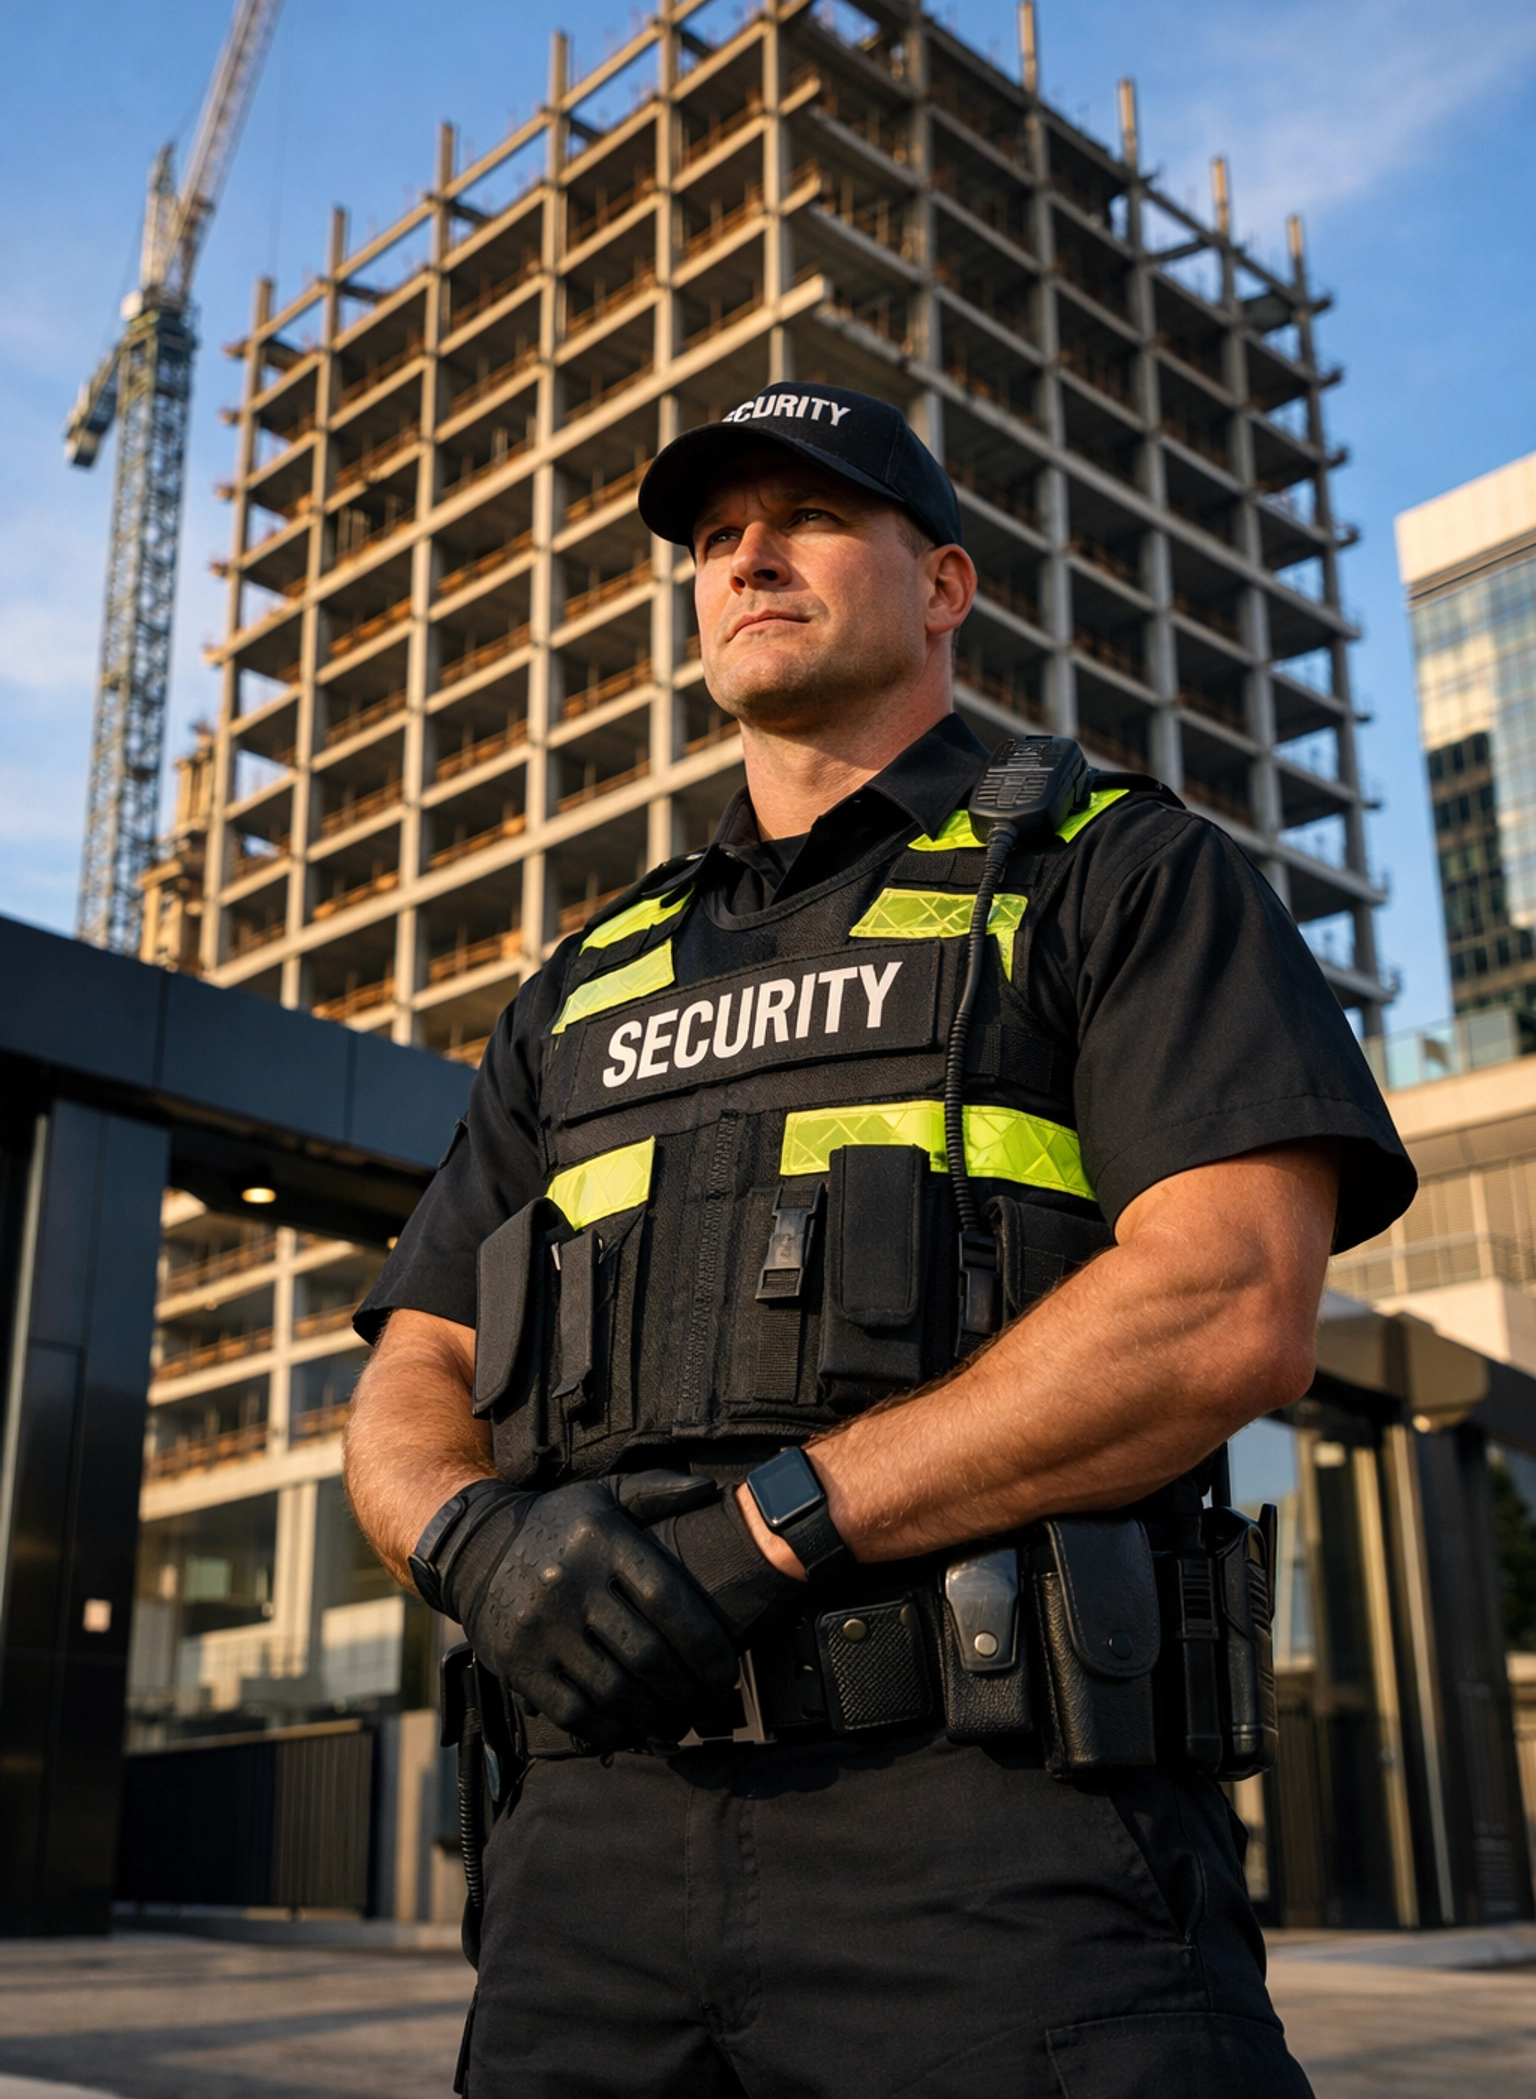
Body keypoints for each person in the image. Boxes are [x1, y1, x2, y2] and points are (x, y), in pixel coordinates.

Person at [345, 379, 1414, 2098]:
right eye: (712, 539)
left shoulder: (1114, 875)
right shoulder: (585, 984)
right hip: (583, 1878)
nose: (749, 553)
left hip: (999, 1858)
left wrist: (782, 1526)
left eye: (812, 516)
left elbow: (1226, 1305)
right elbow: (419, 1366)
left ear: (945, 587)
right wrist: (469, 1542)